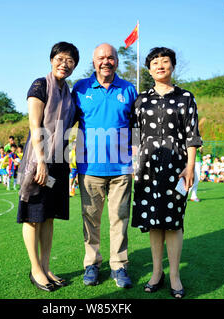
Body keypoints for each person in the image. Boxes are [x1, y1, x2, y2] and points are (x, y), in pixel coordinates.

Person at [131, 47, 202, 299]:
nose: (160, 66)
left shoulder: (185, 97)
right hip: (147, 167)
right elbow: (135, 135)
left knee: (173, 222)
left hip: (176, 166)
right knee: (153, 221)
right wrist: (133, 164)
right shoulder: (141, 99)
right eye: (155, 63)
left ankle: (174, 275)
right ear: (149, 69)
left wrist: (190, 166)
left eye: (165, 62)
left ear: (172, 66)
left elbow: (192, 135)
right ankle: (156, 272)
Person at [72, 43, 137, 289]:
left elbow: (136, 128)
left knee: (120, 219)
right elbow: (71, 126)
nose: (106, 61)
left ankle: (119, 266)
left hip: (122, 169)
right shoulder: (80, 88)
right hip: (89, 169)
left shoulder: (129, 89)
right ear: (93, 61)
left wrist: (137, 159)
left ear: (117, 61)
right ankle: (92, 263)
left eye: (110, 57)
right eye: (101, 58)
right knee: (91, 220)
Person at [16, 41, 79, 292]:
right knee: (32, 216)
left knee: (48, 216)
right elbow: (35, 125)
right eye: (60, 58)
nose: (64, 64)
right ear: (51, 59)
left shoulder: (68, 91)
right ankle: (35, 269)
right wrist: (41, 161)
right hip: (38, 162)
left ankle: (45, 266)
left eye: (70, 60)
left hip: (59, 162)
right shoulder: (40, 85)